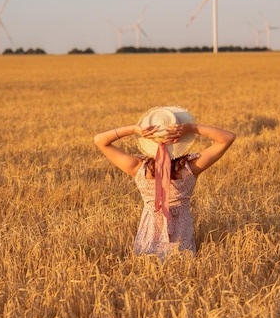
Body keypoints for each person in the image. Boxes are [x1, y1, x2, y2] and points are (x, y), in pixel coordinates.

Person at [94, 105, 236, 259]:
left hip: (148, 234)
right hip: (181, 235)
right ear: (180, 140)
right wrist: (190, 128)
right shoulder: (190, 168)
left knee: (147, 272)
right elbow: (227, 138)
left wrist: (135, 129)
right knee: (182, 272)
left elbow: (100, 140)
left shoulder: (138, 167)